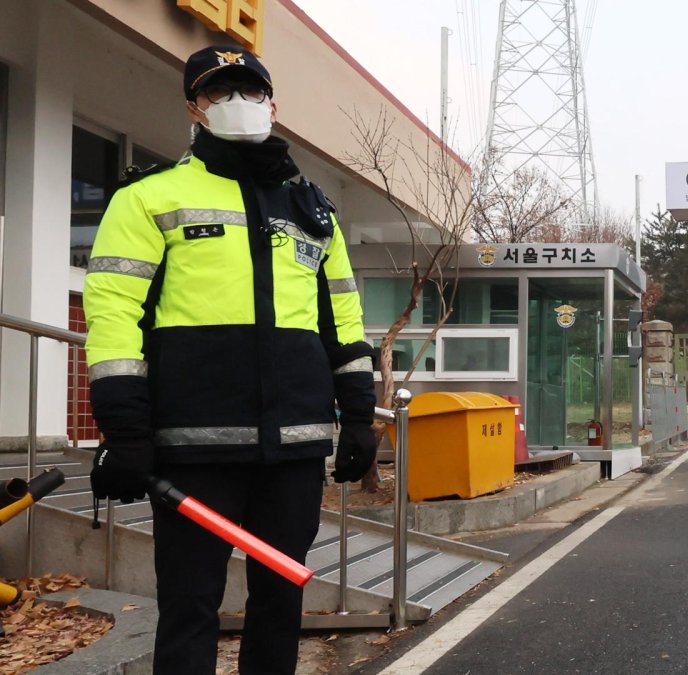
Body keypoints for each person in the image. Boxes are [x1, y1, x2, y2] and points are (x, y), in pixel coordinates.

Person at [84, 46, 378, 675]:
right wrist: (126, 432)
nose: (237, 105)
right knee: (190, 608)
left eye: (250, 92)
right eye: (219, 94)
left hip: (294, 447)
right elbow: (112, 320)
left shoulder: (313, 210)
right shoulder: (147, 198)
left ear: (273, 105)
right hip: (193, 450)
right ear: (194, 106)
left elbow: (344, 321)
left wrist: (359, 418)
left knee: (280, 604)